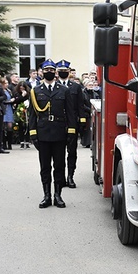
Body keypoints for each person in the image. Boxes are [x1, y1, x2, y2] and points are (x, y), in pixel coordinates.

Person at [28, 60, 77, 208]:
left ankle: (58, 195)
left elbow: (70, 113)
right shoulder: (36, 91)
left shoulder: (64, 90)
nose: (49, 71)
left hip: (59, 132)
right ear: (42, 72)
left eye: (51, 69)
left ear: (55, 72)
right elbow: (31, 115)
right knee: (44, 167)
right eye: (46, 69)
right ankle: (46, 195)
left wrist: (71, 131)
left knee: (59, 165)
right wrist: (33, 134)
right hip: (43, 133)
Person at [55, 60, 88, 188]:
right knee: (59, 152)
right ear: (57, 72)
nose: (63, 73)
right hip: (58, 123)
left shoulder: (76, 87)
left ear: (69, 72)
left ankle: (70, 176)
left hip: (72, 122)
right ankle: (61, 177)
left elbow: (80, 105)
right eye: (61, 71)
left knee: (72, 151)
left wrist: (82, 120)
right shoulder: (54, 85)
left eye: (65, 71)